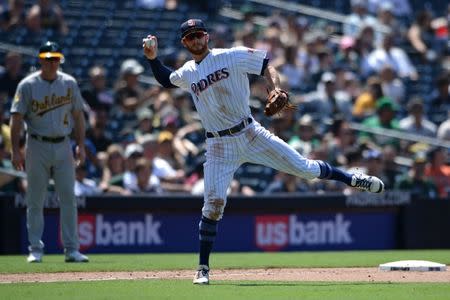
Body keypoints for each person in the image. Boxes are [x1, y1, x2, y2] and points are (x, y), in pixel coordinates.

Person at [142, 19, 385, 285]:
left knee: (304, 168)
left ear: (207, 36)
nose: (196, 40)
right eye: (190, 38)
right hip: (218, 146)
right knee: (212, 206)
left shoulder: (231, 56)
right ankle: (203, 268)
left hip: (250, 133)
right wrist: (153, 59)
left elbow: (266, 64)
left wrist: (276, 88)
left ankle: (352, 179)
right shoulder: (188, 72)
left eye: (198, 35)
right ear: (184, 43)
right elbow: (166, 80)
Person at [9, 41, 88, 263]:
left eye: (55, 58)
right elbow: (16, 118)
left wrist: (80, 145)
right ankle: (35, 249)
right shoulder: (27, 85)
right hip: (36, 144)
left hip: (63, 144)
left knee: (68, 198)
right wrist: (15, 150)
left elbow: (78, 116)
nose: (52, 62)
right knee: (35, 198)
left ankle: (72, 249)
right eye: (48, 58)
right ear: (40, 59)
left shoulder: (69, 83)